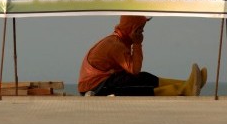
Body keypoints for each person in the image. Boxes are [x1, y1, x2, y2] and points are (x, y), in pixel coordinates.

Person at [78, 15, 207, 96]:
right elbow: (134, 70)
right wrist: (137, 43)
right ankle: (183, 89)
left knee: (144, 77)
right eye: (140, 28)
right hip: (96, 87)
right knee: (137, 86)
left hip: (104, 80)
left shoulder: (120, 40)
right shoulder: (116, 45)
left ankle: (189, 84)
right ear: (131, 29)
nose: (143, 31)